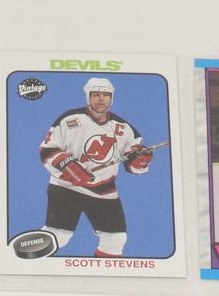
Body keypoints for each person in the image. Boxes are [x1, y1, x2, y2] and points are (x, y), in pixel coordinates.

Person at [39, 77, 154, 258]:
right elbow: (47, 150)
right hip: (66, 187)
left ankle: (105, 275)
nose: (101, 98)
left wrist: (140, 159)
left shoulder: (124, 128)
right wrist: (67, 166)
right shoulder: (70, 119)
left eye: (106, 95)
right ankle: (25, 264)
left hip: (104, 191)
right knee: (59, 236)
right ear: (88, 96)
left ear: (111, 97)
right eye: (96, 94)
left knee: (115, 239)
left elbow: (134, 165)